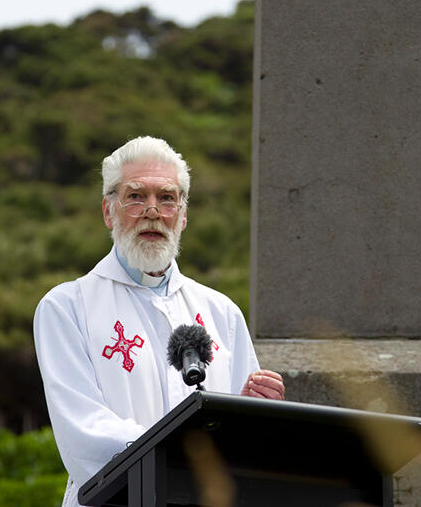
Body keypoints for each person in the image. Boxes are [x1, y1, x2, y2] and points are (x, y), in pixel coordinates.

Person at [33, 136, 284, 507]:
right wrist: (192, 448)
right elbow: (84, 436)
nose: (152, 210)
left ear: (183, 216)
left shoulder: (222, 313)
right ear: (108, 211)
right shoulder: (67, 307)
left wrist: (253, 412)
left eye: (167, 198)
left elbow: (245, 450)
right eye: (136, 196)